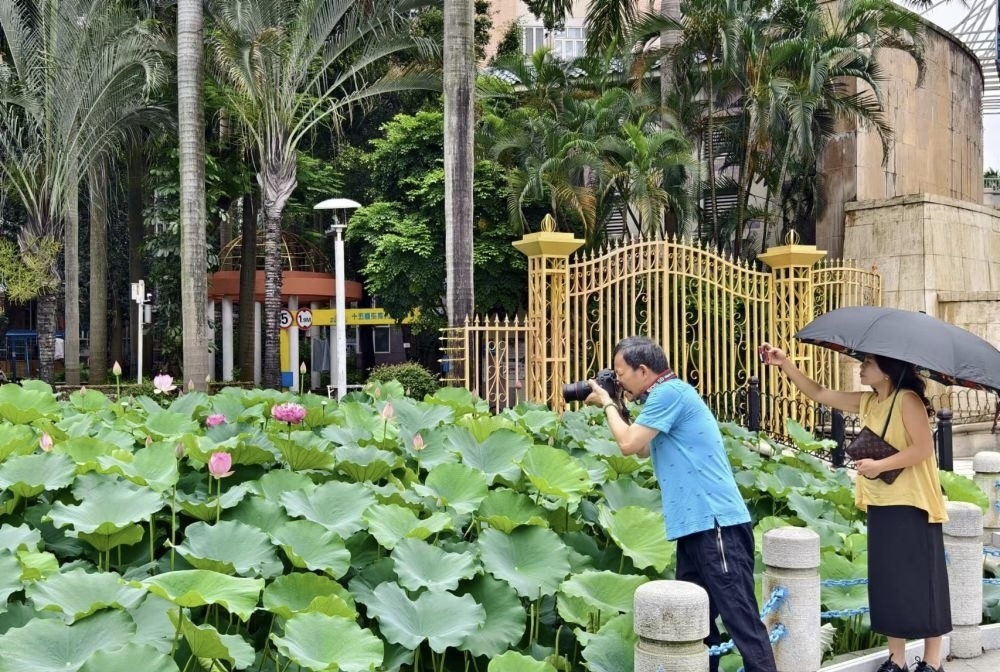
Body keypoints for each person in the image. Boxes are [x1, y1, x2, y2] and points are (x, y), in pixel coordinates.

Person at [585, 336, 778, 672]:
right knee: (696, 626)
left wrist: (606, 403)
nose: (618, 380)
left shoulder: (669, 393)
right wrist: (616, 404)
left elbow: (628, 444)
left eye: (621, 373)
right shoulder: (664, 397)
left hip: (716, 525)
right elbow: (641, 449)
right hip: (693, 528)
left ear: (643, 370)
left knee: (742, 622)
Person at [760, 343, 950, 672]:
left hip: (914, 502)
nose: (861, 366)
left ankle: (932, 662)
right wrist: (785, 364)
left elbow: (922, 449)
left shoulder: (908, 400)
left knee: (924, 580)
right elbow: (820, 393)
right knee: (889, 582)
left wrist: (880, 465)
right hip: (881, 501)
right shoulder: (869, 401)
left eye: (869, 362)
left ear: (887, 370)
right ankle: (897, 659)